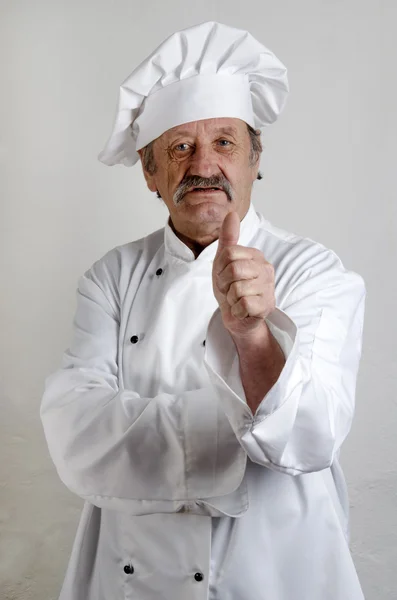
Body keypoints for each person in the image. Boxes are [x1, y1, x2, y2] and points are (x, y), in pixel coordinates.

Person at [40, 21, 367, 600]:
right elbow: (75, 434)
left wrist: (253, 336)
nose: (203, 165)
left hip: (275, 574)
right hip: (130, 580)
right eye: (180, 146)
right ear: (150, 172)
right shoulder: (110, 278)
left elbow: (311, 440)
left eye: (224, 143)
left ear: (254, 159)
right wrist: (240, 432)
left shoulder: (314, 272)